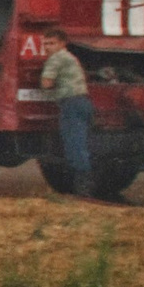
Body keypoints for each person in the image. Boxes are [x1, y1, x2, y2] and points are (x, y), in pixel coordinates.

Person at [42, 27, 94, 193]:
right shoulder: (71, 57)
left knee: (74, 144)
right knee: (80, 142)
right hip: (83, 101)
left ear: (62, 44)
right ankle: (84, 183)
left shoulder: (56, 59)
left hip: (70, 103)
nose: (47, 47)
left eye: (52, 43)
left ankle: (83, 186)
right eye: (45, 44)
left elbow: (46, 83)